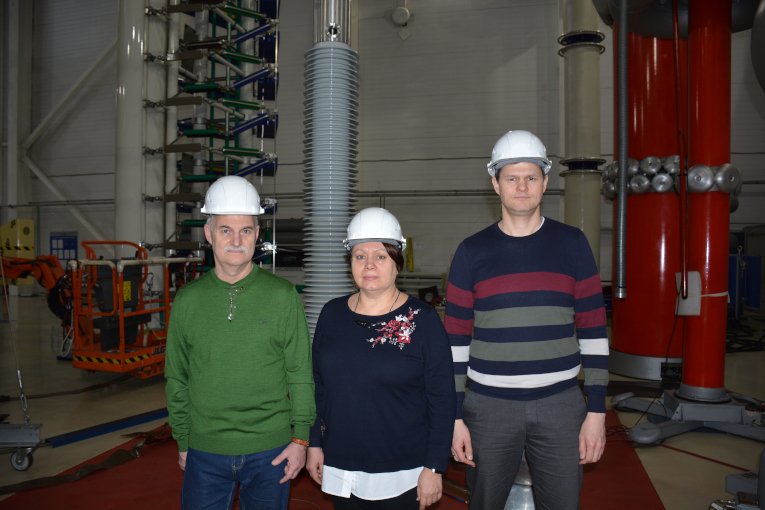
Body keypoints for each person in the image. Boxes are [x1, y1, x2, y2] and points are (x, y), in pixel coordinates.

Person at [446, 130, 609, 510]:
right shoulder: (471, 252)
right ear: (496, 185)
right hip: (488, 408)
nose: (522, 186)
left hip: (561, 404)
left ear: (546, 182)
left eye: (531, 177)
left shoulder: (573, 244)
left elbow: (594, 331)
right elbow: (454, 342)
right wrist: (455, 417)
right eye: (511, 178)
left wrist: (597, 410)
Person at [165, 175, 315, 510]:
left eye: (246, 230)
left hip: (271, 451)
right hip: (205, 452)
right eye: (225, 230)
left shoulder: (282, 296)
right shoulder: (188, 300)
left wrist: (301, 438)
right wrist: (184, 438)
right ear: (208, 234)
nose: (236, 240)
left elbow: (300, 373)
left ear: (257, 234)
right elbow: (177, 377)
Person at [305, 207, 456, 510]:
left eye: (381, 256)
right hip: (342, 462)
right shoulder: (331, 314)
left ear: (397, 263)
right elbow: (317, 387)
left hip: (404, 469)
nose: (370, 265)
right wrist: (314, 445)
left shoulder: (423, 321)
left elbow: (442, 400)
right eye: (360, 256)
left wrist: (435, 467)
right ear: (350, 262)